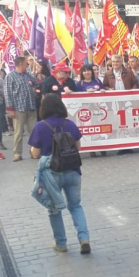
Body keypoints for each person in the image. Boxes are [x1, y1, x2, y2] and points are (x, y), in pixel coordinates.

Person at [29, 94, 91, 254]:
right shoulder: (70, 124)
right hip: (72, 170)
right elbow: (78, 147)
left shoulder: (40, 126)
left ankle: (61, 243)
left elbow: (35, 153)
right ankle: (84, 239)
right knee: (76, 206)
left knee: (54, 209)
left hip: (52, 174)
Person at [4, 56, 39, 162]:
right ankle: (17, 153)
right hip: (18, 108)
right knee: (18, 133)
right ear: (20, 64)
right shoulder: (10, 76)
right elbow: (7, 93)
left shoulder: (28, 75)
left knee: (33, 132)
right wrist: (10, 109)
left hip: (31, 107)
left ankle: (34, 152)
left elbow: (37, 83)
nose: (27, 66)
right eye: (26, 64)